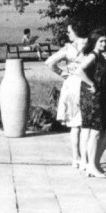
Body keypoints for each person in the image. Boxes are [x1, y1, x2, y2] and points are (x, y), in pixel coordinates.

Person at [45, 20, 90, 168]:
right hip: (86, 83)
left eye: (69, 31)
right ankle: (85, 158)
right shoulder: (90, 46)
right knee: (85, 124)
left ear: (76, 32)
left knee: (74, 125)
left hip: (71, 84)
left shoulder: (69, 49)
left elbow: (49, 62)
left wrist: (63, 73)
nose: (67, 33)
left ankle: (76, 157)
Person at [75, 28, 106, 178]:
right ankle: (91, 166)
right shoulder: (93, 55)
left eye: (105, 40)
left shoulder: (100, 56)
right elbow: (79, 71)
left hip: (101, 98)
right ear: (94, 42)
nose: (104, 43)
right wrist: (91, 84)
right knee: (95, 132)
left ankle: (94, 163)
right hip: (93, 99)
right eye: (101, 41)